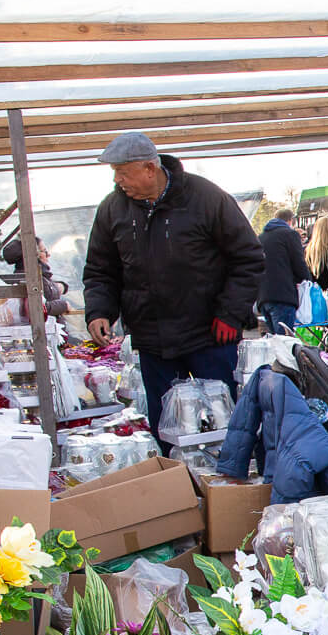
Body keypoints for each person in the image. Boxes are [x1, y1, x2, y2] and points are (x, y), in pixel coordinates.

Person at [82, 132, 263, 434]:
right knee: (168, 426)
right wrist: (99, 311)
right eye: (115, 172)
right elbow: (100, 269)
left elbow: (248, 258)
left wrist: (230, 313)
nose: (117, 180)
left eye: (123, 172)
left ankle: (233, 465)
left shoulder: (206, 197)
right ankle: (173, 467)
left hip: (210, 335)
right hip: (152, 340)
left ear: (149, 168)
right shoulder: (112, 208)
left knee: (226, 420)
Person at [256, 207, 307, 334]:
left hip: (264, 297)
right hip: (283, 295)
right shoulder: (290, 235)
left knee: (274, 341)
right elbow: (299, 264)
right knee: (284, 341)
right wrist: (306, 281)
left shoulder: (260, 237)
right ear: (291, 220)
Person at [0, 235, 68, 318]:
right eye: (45, 251)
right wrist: (64, 305)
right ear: (36, 255)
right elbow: (39, 308)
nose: (48, 254)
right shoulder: (32, 279)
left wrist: (61, 286)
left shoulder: (31, 274)